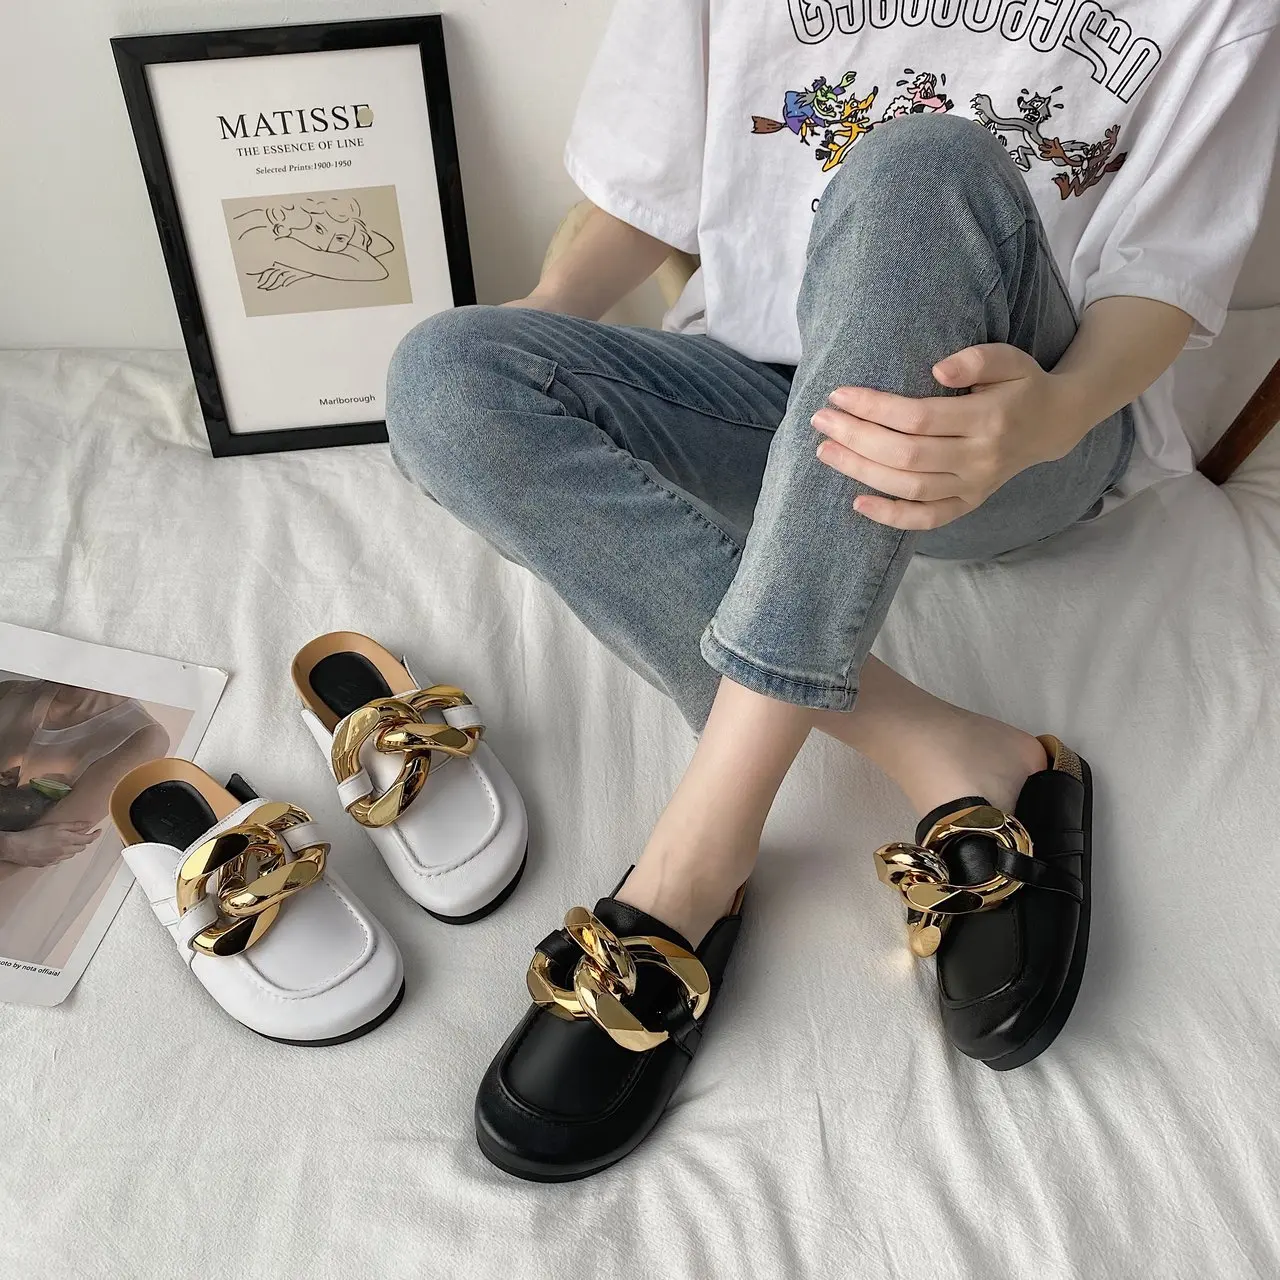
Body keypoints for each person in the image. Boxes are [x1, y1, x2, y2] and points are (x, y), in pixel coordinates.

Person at [385, 0, 1280, 1180]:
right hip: (746, 396)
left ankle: (695, 857)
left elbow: (1164, 271)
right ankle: (941, 746)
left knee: (922, 159)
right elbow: (641, 194)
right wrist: (537, 364)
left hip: (1003, 439)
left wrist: (1051, 413)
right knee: (441, 375)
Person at [0, 681, 167, 966]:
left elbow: (33, 859)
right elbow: (26, 851)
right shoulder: (8, 692)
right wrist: (11, 846)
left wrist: (16, 849)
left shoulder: (140, 737)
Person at [231, 195, 394, 292]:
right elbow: (374, 269)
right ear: (302, 218)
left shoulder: (293, 231)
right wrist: (316, 266)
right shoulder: (275, 241)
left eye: (340, 239)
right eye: (319, 229)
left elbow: (385, 244)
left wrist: (307, 269)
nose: (326, 246)